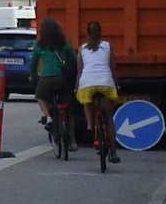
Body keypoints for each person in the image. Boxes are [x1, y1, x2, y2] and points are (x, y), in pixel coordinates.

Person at [29, 18, 78, 151]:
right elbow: (73, 60)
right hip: (62, 78)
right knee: (68, 110)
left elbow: (33, 64)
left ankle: (48, 116)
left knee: (40, 96)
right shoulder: (64, 44)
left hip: (46, 79)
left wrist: (32, 77)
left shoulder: (40, 46)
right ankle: (73, 141)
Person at [75, 21, 120, 164]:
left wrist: (77, 87)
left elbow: (80, 71)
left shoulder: (82, 49)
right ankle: (113, 152)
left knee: (86, 100)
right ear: (101, 32)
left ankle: (90, 125)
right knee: (109, 118)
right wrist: (116, 83)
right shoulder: (107, 46)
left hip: (87, 84)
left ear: (87, 34)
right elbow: (112, 67)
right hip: (105, 84)